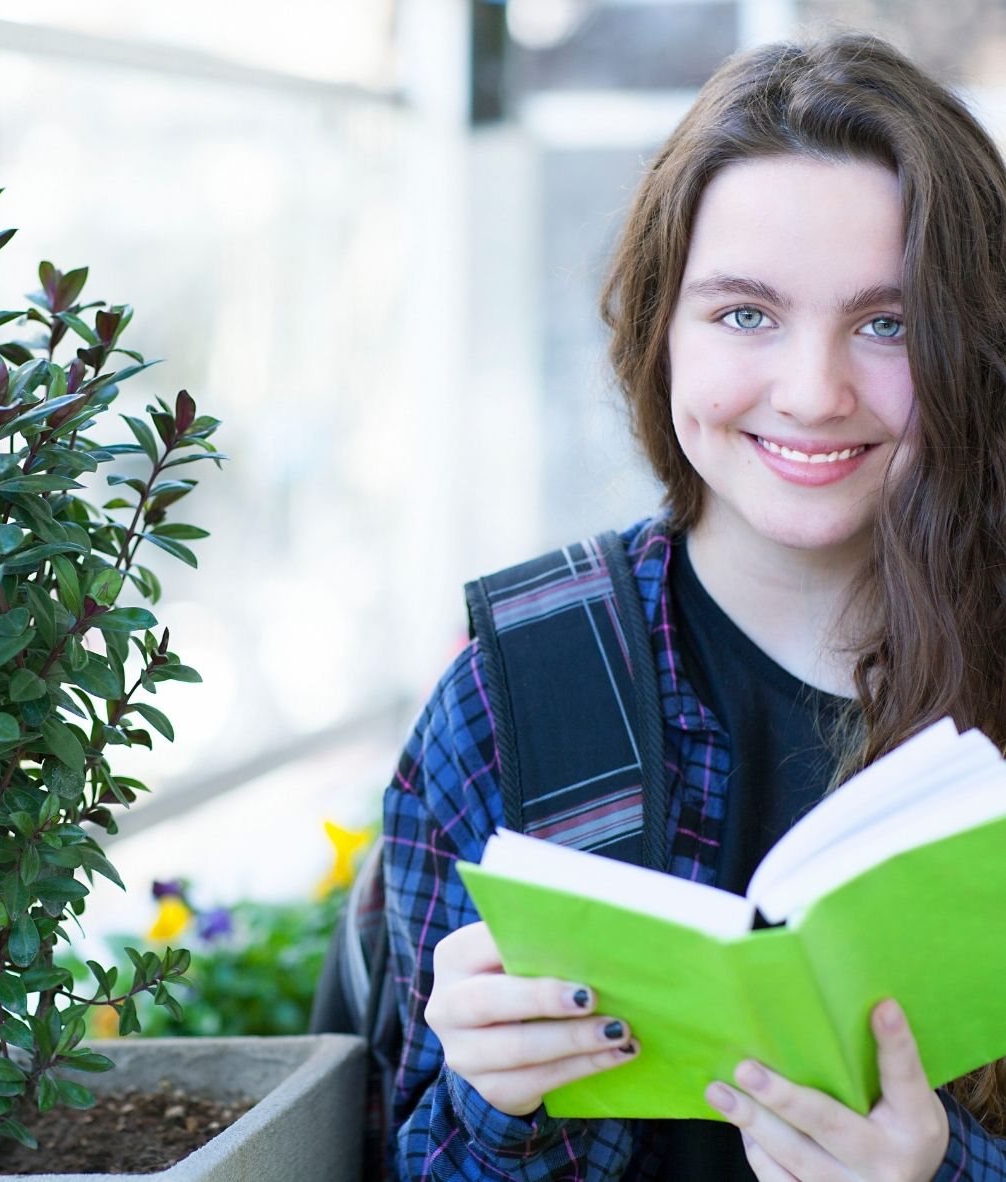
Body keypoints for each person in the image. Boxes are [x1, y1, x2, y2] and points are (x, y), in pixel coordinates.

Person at [382, 31, 1006, 1181]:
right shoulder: (513, 693)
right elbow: (413, 1158)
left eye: (890, 322)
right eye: (745, 314)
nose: (814, 393)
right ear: (658, 330)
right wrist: (492, 1105)